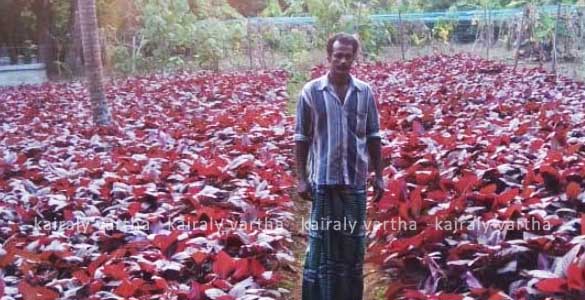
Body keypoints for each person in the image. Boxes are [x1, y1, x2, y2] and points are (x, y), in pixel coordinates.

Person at [294, 32, 384, 300]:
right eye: (338, 56)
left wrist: (379, 175)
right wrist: (301, 178)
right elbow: (302, 138)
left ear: (355, 57)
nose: (343, 61)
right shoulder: (311, 92)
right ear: (328, 57)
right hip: (323, 181)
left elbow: (373, 135)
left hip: (355, 181)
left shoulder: (365, 92)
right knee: (322, 244)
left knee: (353, 244)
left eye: (348, 56)